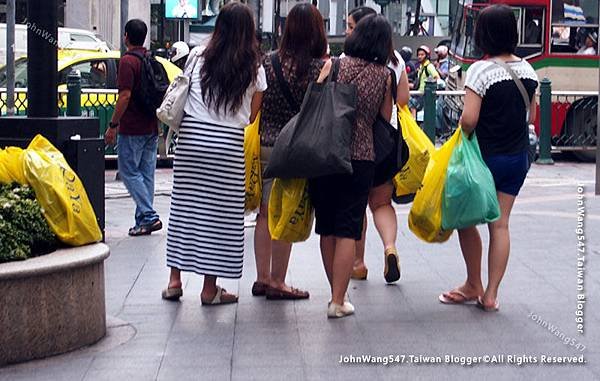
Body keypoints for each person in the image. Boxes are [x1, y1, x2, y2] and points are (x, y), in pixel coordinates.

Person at [161, 2, 266, 305]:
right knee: (220, 218)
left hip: (193, 140)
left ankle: (174, 280)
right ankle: (210, 289)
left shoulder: (196, 56)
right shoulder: (255, 68)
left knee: (184, 209)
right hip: (227, 146)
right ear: (249, 31)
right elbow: (250, 117)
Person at [439, 4, 538, 312]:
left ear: (483, 34)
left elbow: (469, 119)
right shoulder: (528, 69)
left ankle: (473, 283)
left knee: (464, 219)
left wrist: (460, 132)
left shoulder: (481, 70)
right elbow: (531, 115)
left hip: (484, 160)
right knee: (501, 225)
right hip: (518, 158)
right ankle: (491, 295)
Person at [310, 14, 393, 318]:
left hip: (326, 153)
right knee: (348, 228)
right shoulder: (384, 75)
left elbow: (314, 100)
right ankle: (337, 299)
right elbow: (384, 120)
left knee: (327, 227)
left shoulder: (334, 65)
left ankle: (336, 292)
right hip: (361, 157)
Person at [252, 3, 327, 300]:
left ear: (286, 30)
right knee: (284, 213)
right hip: (297, 148)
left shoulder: (267, 63)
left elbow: (254, 107)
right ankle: (278, 281)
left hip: (266, 144)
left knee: (264, 213)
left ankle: (261, 278)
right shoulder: (320, 68)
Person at [344, 6, 410, 284]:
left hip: (355, 145)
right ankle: (389, 247)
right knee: (382, 203)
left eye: (350, 26)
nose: (348, 31)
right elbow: (403, 100)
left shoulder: (347, 61)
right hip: (386, 145)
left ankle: (358, 263)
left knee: (357, 205)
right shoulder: (395, 63)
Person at [105, 19, 162, 237]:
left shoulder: (128, 62)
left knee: (129, 172)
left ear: (126, 36)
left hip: (133, 127)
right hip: (151, 125)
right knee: (146, 175)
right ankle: (143, 221)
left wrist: (113, 124)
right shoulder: (149, 59)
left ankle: (148, 215)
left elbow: (125, 95)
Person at [408, 45, 439, 117]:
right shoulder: (421, 67)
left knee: (413, 105)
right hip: (418, 93)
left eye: (422, 55)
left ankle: (413, 124)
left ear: (427, 56)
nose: (419, 56)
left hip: (424, 95)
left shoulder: (429, 66)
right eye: (418, 55)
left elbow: (437, 78)